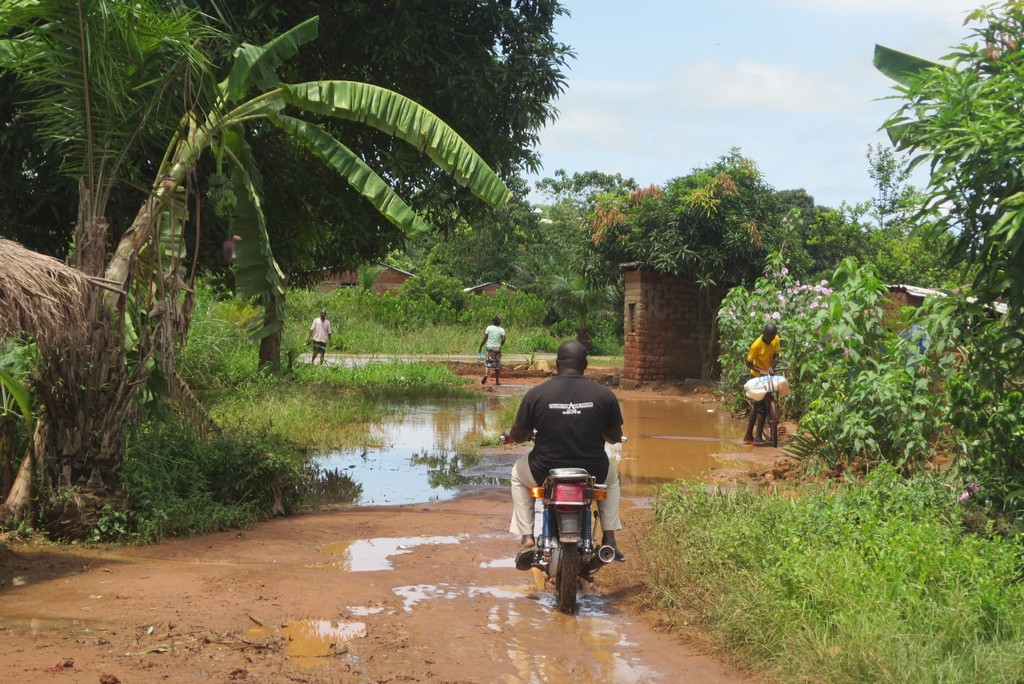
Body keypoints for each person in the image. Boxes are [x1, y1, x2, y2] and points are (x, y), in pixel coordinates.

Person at [503, 340, 626, 571]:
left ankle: (527, 538)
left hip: (544, 471)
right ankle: (609, 538)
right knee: (613, 478)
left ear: (557, 363)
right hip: (593, 472)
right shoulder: (604, 395)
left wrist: (508, 433)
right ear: (586, 364)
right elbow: (614, 437)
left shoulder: (536, 394)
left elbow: (519, 436)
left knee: (518, 476)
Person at [742, 322, 780, 445]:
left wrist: (771, 368)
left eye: (773, 336)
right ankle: (757, 437)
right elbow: (748, 363)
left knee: (757, 404)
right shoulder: (756, 345)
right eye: (769, 336)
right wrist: (760, 370)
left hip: (769, 375)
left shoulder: (776, 339)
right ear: (764, 334)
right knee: (761, 407)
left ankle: (748, 435)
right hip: (757, 376)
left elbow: (776, 356)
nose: (771, 339)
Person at [477, 315, 506, 385]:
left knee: (487, 362)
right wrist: (500, 344)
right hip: (497, 348)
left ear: (493, 321)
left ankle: (486, 375)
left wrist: (480, 347)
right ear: (500, 322)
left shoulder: (489, 328)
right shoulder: (501, 330)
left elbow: (485, 338)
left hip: (489, 348)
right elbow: (504, 339)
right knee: (497, 364)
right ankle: (497, 381)